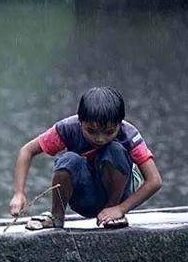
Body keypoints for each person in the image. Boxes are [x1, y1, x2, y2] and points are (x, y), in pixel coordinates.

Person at [9, 86, 162, 230]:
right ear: (80, 121)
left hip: (118, 197)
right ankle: (56, 217)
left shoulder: (128, 134)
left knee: (114, 150)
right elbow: (27, 151)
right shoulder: (68, 128)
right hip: (84, 197)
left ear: (119, 124)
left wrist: (121, 208)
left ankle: (113, 214)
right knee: (69, 159)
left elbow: (154, 181)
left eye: (109, 132)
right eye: (91, 131)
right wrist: (19, 193)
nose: (100, 139)